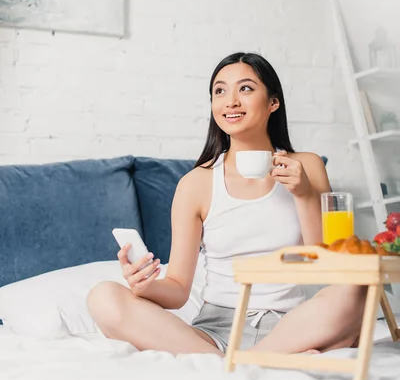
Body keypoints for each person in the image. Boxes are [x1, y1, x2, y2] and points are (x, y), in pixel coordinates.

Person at [87, 52, 366, 356]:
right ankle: (251, 360)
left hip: (292, 326)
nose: (230, 101)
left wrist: (304, 194)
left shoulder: (307, 167)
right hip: (216, 331)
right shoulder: (196, 183)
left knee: (357, 286)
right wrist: (144, 286)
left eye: (245, 89)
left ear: (273, 102)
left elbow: (327, 267)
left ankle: (246, 361)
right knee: (103, 297)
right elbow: (179, 289)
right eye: (220, 91)